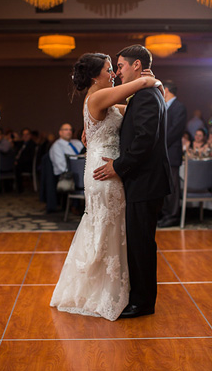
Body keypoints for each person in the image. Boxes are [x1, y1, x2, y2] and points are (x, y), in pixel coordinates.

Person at [50, 51, 165, 321]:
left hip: (108, 170)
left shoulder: (107, 101)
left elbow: (130, 110)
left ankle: (112, 286)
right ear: (95, 76)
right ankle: (101, 288)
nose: (113, 73)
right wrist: (153, 80)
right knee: (104, 227)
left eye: (115, 67)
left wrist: (89, 131)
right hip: (104, 173)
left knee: (108, 228)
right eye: (108, 68)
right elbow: (140, 86)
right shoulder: (99, 96)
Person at [91, 45, 171, 319]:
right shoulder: (145, 93)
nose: (118, 71)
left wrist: (118, 166)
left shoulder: (147, 95)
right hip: (143, 181)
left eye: (121, 65)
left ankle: (143, 303)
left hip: (146, 182)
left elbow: (145, 141)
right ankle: (137, 297)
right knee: (138, 242)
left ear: (137, 65)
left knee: (142, 245)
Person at [158, 80, 186, 228]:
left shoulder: (179, 107)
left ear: (166, 90)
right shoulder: (165, 106)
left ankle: (173, 215)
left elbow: (175, 131)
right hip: (164, 153)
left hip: (172, 152)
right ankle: (165, 213)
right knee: (165, 185)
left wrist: (159, 144)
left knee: (173, 187)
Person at [13, 127, 37, 193]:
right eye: (24, 134)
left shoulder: (32, 144)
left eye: (27, 134)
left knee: (17, 168)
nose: (25, 136)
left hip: (27, 165)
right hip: (19, 163)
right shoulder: (21, 144)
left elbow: (29, 157)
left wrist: (18, 162)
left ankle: (19, 189)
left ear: (30, 135)